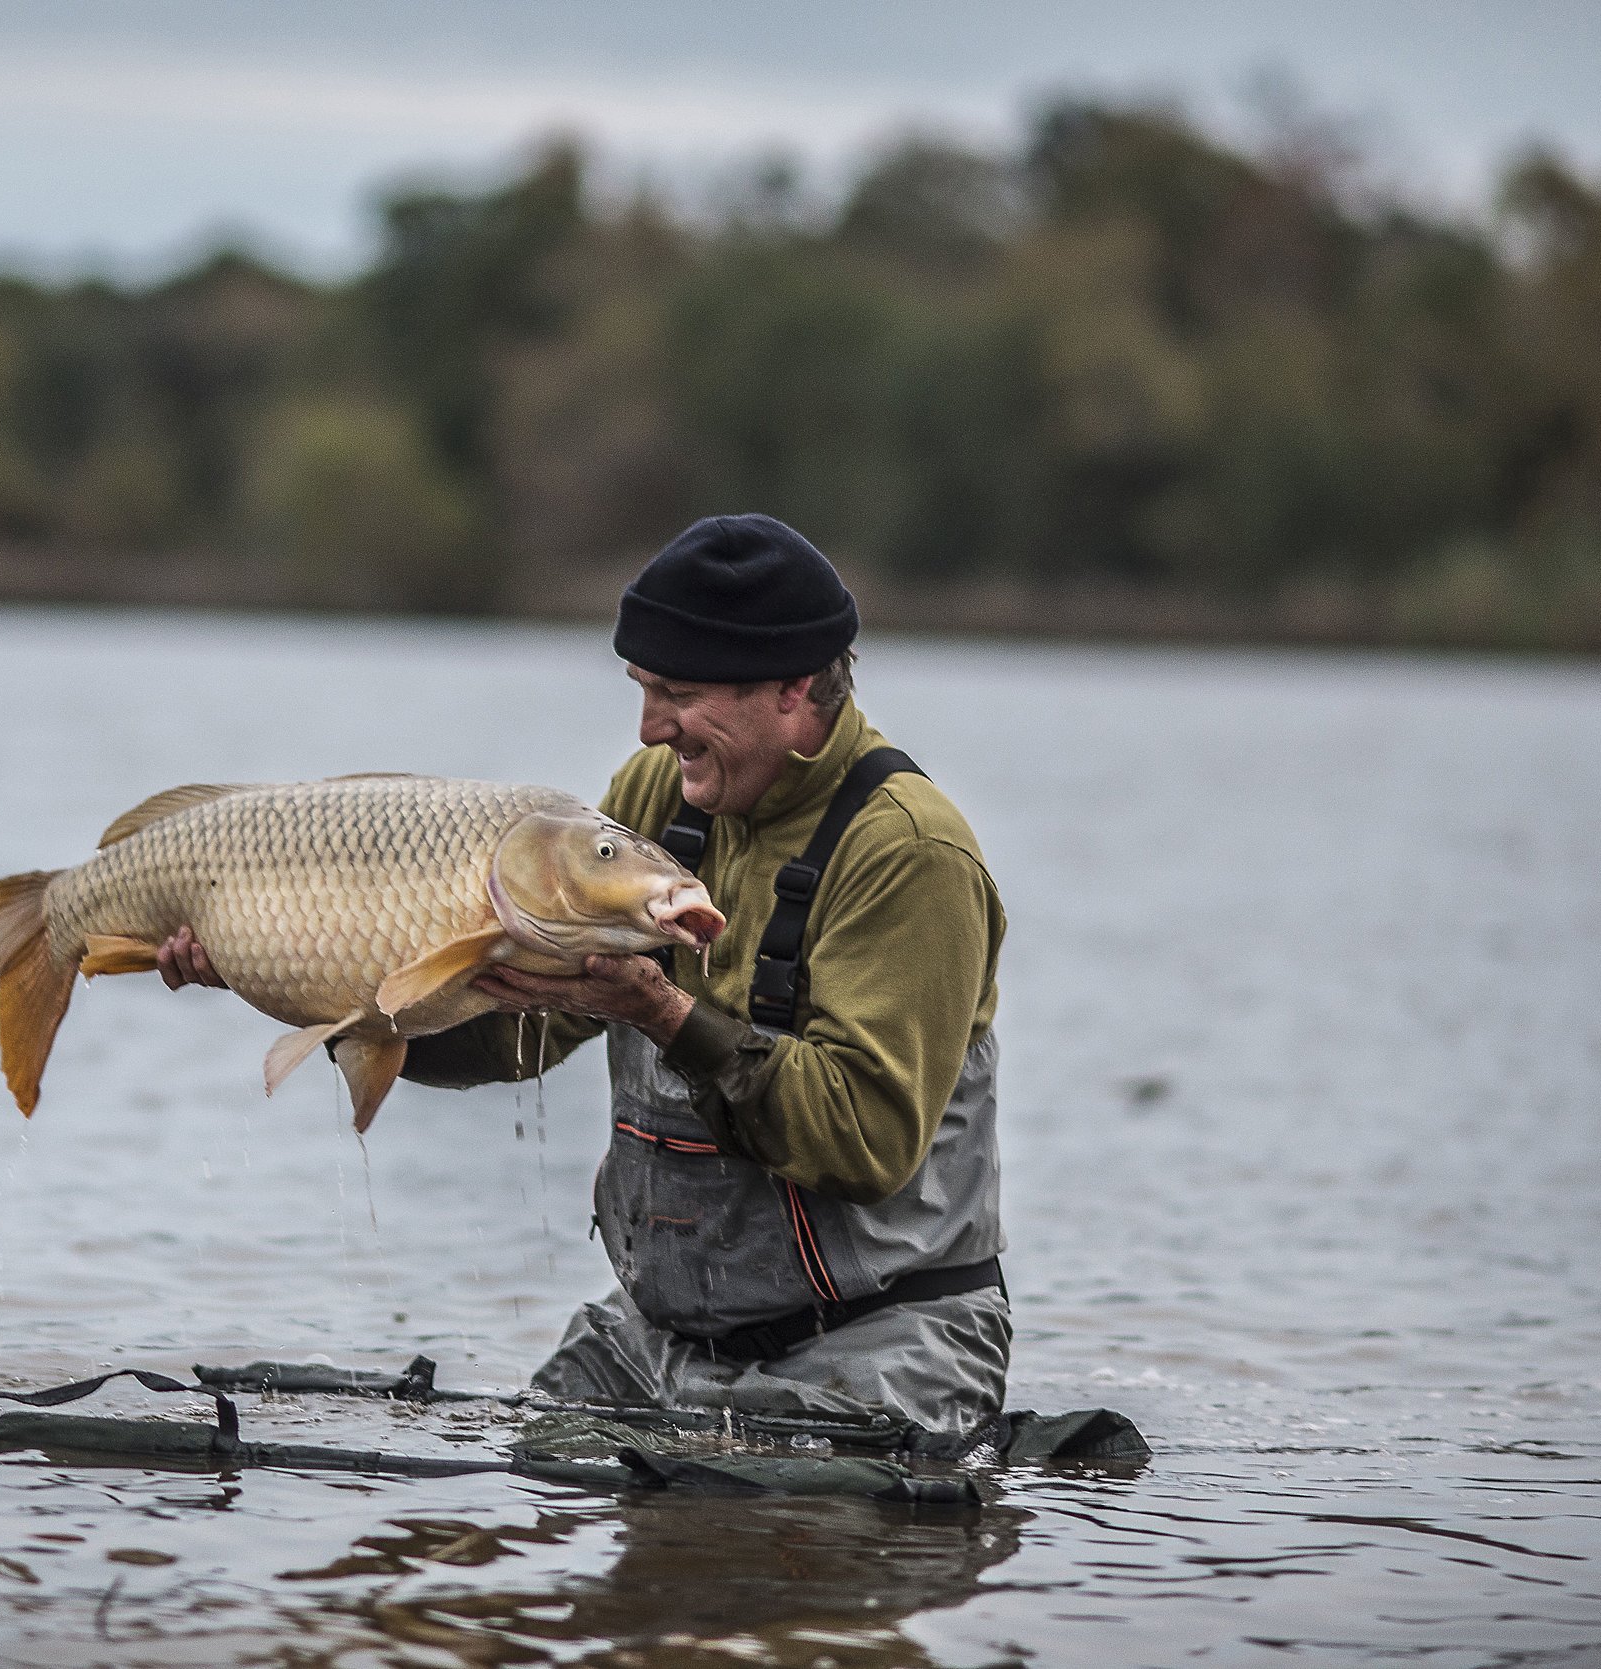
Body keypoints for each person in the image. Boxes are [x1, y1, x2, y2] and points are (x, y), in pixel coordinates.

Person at [158, 514, 1009, 1436]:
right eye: (642, 690)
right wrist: (319, 989)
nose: (650, 728)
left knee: (768, 1521)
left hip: (881, 1341)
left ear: (794, 686)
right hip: (658, 1340)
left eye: (677, 693)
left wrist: (662, 1009)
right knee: (519, 1487)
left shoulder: (910, 853)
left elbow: (867, 1138)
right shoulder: (657, 798)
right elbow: (525, 1035)